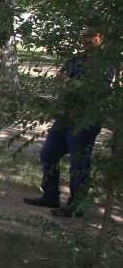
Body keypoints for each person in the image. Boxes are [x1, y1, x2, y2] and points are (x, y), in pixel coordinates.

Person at [23, 26, 109, 217]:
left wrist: (71, 84)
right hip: (65, 116)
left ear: (100, 37)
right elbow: (59, 79)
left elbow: (96, 92)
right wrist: (70, 84)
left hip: (85, 120)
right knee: (48, 154)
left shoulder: (105, 64)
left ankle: (75, 206)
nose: (86, 39)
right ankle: (50, 196)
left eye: (91, 36)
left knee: (79, 163)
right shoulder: (75, 60)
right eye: (84, 35)